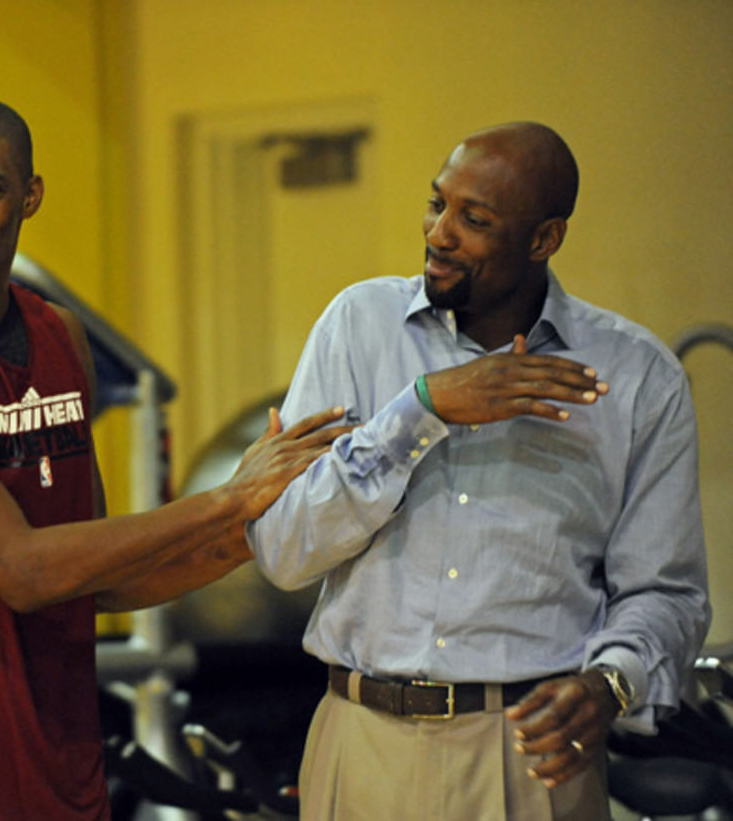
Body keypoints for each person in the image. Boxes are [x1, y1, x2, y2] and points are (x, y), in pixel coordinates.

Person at [0, 97, 343, 821]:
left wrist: (265, 526)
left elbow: (98, 578)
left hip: (55, 757)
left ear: (29, 196)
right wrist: (229, 497)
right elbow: (23, 570)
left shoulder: (58, 336)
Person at [247, 122, 710, 820]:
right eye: (437, 204)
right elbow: (284, 550)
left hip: (528, 754)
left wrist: (610, 683)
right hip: (361, 740)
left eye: (475, 219)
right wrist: (421, 411)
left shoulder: (638, 378)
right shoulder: (357, 326)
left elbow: (667, 591)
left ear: (544, 239)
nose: (439, 233)